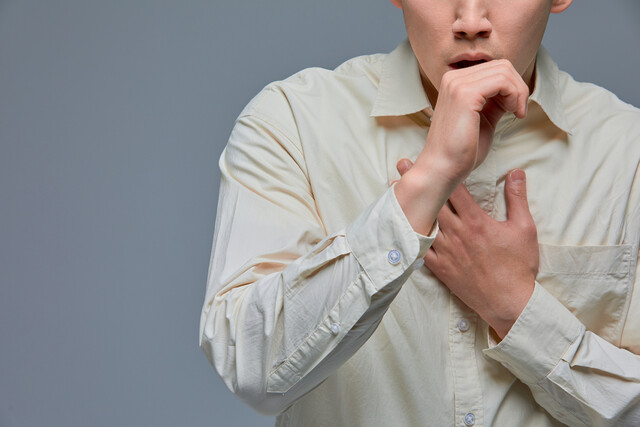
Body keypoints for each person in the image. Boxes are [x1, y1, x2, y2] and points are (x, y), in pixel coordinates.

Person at [200, 0, 640, 425]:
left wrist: (516, 309)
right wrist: (428, 179)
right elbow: (251, 370)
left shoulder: (629, 154)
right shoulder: (293, 122)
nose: (471, 20)